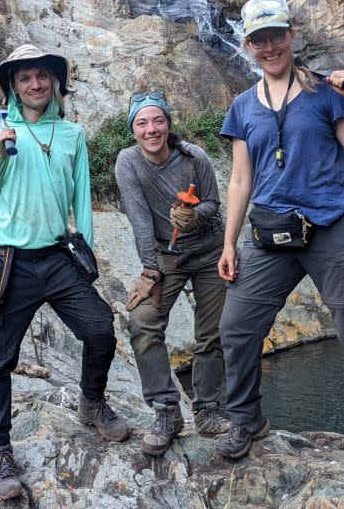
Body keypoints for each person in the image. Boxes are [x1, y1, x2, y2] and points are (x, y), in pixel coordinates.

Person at [214, 0, 344, 485]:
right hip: (270, 232)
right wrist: (227, 243)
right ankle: (246, 420)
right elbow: (240, 180)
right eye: (258, 39)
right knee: (236, 329)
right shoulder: (242, 107)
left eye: (276, 36)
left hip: (333, 227)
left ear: (290, 37)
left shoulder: (326, 92)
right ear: (248, 46)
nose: (268, 46)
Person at [0, 44, 130, 500]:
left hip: (58, 256)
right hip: (7, 261)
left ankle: (91, 401)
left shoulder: (72, 133)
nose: (35, 84)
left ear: (55, 82)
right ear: (13, 86)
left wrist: (88, 257)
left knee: (100, 329)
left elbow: (82, 200)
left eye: (43, 76)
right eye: (25, 78)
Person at [115, 91, 231, 456]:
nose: (151, 129)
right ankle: (166, 410)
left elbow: (214, 203)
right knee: (143, 321)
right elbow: (139, 220)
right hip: (166, 257)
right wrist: (149, 269)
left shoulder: (193, 155)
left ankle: (208, 411)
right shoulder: (128, 162)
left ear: (168, 122)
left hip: (211, 250)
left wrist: (195, 216)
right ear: (133, 128)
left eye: (158, 120)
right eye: (142, 123)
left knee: (212, 331)